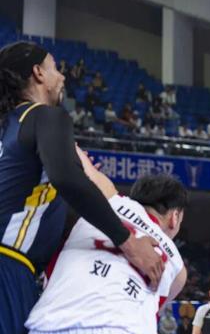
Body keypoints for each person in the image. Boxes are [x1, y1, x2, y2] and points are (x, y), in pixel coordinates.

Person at [0, 42, 163, 334]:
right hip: (7, 266)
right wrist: (129, 243)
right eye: (55, 67)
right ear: (38, 73)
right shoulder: (45, 115)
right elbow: (66, 179)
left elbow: (34, 194)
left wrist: (76, 174)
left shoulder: (9, 127)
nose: (62, 76)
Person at [26, 156, 188, 333]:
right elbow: (155, 308)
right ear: (175, 217)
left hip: (53, 321)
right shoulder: (178, 268)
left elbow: (69, 152)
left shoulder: (108, 196)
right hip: (125, 328)